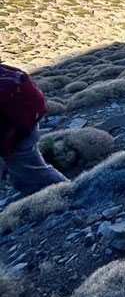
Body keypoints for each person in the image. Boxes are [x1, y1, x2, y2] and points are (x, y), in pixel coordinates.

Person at [1, 62, 68, 196]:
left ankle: (69, 193)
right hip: (25, 122)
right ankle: (33, 192)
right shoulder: (6, 76)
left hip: (16, 132)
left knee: (34, 169)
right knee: (23, 167)